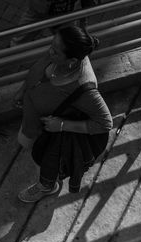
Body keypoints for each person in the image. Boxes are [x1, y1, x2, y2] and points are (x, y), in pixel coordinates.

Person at [14, 25, 112, 202]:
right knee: (29, 147)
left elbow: (105, 122)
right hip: (32, 121)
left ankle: (47, 186)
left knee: (44, 161)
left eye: (55, 51)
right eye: (51, 46)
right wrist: (23, 91)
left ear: (72, 61)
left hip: (46, 133)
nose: (49, 52)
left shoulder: (84, 87)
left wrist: (61, 125)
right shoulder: (58, 54)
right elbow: (38, 68)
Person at [10, 0, 97, 47]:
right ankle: (12, 52)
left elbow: (88, 4)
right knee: (21, 37)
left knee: (69, 41)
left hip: (63, 14)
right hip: (41, 8)